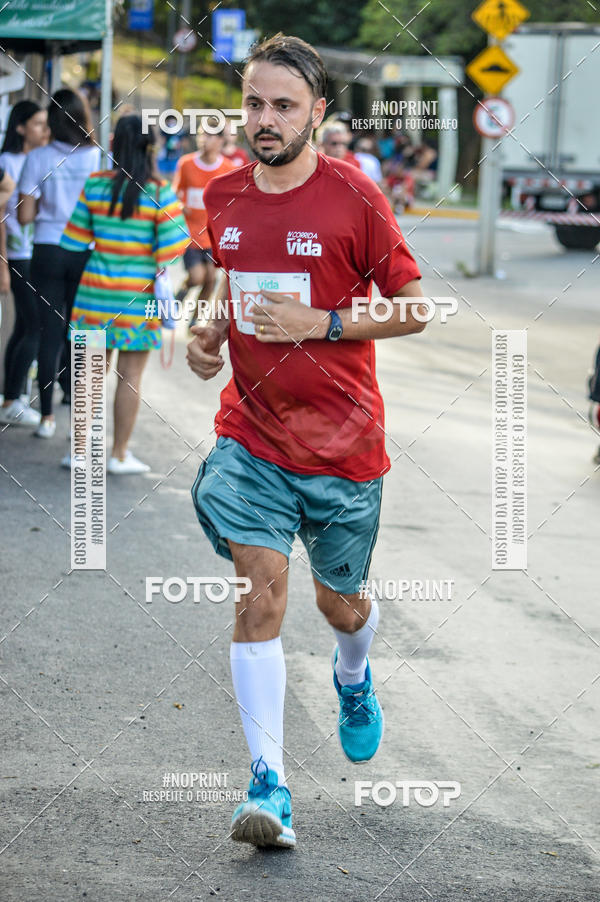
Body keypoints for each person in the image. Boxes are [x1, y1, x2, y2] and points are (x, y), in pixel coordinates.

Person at [187, 34, 427, 849]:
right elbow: (233, 276)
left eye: (283, 105)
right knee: (261, 596)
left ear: (317, 113)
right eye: (254, 102)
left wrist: (322, 322)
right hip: (251, 436)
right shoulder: (223, 198)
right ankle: (269, 785)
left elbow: (416, 306)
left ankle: (353, 675)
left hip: (344, 447)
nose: (264, 118)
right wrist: (211, 332)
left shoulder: (355, 197)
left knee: (339, 605)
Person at [61, 114, 189, 473]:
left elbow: (74, 239)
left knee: (89, 376)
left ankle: (78, 452)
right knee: (130, 378)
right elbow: (175, 250)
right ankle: (118, 454)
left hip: (94, 298)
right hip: (139, 300)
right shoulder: (160, 192)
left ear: (115, 145)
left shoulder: (95, 185)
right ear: (151, 147)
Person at [18, 88, 100, 438]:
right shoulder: (97, 157)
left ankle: (47, 418)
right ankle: (81, 420)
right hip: (86, 250)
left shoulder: (38, 157)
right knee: (83, 333)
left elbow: (24, 216)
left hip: (48, 249)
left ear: (52, 119)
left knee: (49, 332)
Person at [0, 100, 48, 427]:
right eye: (37, 124)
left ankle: (10, 397)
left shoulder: (31, 159)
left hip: (29, 252)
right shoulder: (9, 162)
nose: (44, 131)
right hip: (18, 254)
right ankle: (13, 400)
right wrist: (3, 262)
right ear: (20, 128)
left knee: (24, 326)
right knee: (35, 325)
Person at [172, 128, 234, 325]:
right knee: (197, 277)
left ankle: (195, 319)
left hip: (213, 235)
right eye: (201, 135)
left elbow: (231, 200)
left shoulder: (228, 168)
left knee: (211, 279)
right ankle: (182, 291)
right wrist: (181, 206)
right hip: (190, 232)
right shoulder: (187, 163)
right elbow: (175, 193)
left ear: (220, 141)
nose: (204, 140)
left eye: (209, 136)